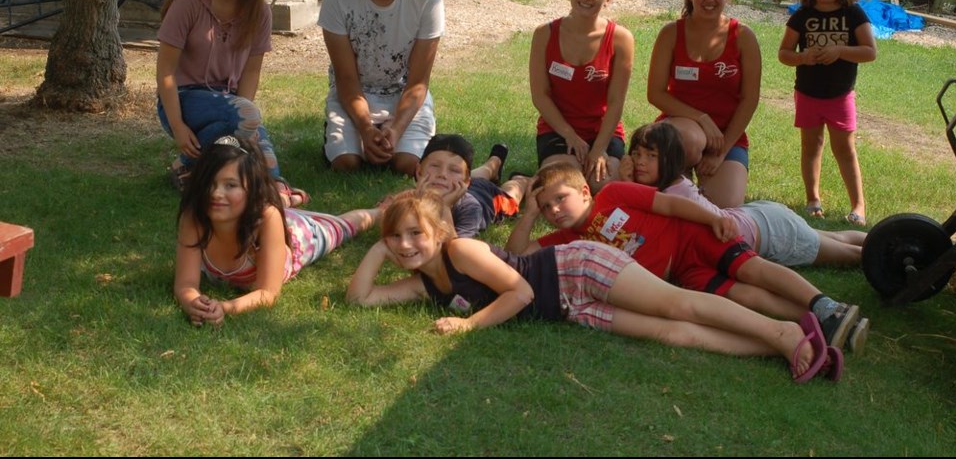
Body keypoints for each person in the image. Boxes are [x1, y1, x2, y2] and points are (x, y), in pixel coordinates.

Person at [347, 190, 843, 384]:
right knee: (675, 335)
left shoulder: (462, 252)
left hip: (574, 268)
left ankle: (783, 334)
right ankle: (786, 348)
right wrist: (378, 250)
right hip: (569, 308)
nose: (407, 244)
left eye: (415, 233)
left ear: (440, 233)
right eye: (397, 237)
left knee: (679, 306)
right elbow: (362, 299)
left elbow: (519, 292)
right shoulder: (422, 285)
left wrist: (468, 323)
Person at [506, 162, 869, 354]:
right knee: (742, 295)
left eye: (561, 198)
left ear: (585, 190)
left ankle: (824, 306)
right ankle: (816, 325)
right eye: (547, 207)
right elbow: (518, 256)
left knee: (754, 270)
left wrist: (713, 218)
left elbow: (667, 203)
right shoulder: (566, 239)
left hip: (693, 239)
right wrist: (529, 214)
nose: (555, 209)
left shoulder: (614, 193)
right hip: (681, 273)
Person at [155, 0, 307, 205]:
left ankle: (273, 185)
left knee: (251, 132)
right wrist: (177, 125)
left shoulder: (260, 11)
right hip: (182, 98)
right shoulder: (186, 4)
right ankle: (189, 161)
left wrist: (241, 125)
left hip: (228, 101)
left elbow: (251, 70)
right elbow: (165, 72)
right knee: (247, 116)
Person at [173, 135, 381, 326]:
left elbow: (268, 293)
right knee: (276, 208)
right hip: (268, 213)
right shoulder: (194, 218)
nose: (216, 193)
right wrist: (193, 303)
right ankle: (289, 198)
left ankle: (379, 212)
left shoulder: (266, 218)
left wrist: (225, 308)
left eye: (230, 185)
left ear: (252, 190)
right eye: (210, 183)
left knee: (343, 226)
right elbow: (186, 284)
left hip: (300, 234)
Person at [619, 122, 865, 267]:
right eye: (637, 154)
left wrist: (627, 181)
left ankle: (891, 251)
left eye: (651, 157)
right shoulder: (670, 185)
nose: (641, 162)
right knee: (835, 238)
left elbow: (641, 215)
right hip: (755, 216)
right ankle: (877, 237)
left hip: (769, 234)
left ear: (670, 161)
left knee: (849, 256)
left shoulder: (676, 192)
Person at [319, 0, 445, 177]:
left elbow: (418, 82)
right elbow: (345, 77)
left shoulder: (427, 2)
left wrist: (396, 129)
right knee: (347, 165)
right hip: (354, 94)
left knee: (408, 165)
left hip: (403, 96)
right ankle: (340, 136)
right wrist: (366, 128)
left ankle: (396, 134)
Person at [647, 0, 761, 208]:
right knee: (676, 200)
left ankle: (687, 185)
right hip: (680, 132)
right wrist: (701, 118)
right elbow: (655, 93)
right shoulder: (670, 33)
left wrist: (721, 151)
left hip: (726, 137)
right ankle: (680, 178)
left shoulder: (743, 36)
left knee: (725, 208)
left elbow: (750, 99)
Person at [778, 0, 877, 226]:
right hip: (807, 93)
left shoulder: (853, 13)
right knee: (811, 147)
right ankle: (813, 200)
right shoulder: (802, 15)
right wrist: (802, 57)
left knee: (844, 149)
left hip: (840, 95)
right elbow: (784, 53)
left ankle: (858, 205)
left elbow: (870, 51)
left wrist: (840, 51)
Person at [529, 0, 634, 193]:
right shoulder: (544, 34)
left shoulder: (621, 38)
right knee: (566, 188)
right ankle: (526, 179)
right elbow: (540, 95)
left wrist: (598, 148)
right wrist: (570, 136)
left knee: (603, 187)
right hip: (557, 129)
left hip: (603, 131)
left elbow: (616, 102)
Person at [413, 134, 529, 238]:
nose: (442, 174)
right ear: (418, 171)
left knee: (511, 196)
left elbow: (455, 248)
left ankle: (521, 179)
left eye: (454, 170)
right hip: (468, 183)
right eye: (435, 166)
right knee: (473, 177)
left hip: (488, 197)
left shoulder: (471, 208)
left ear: (467, 182)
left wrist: (445, 207)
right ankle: (494, 162)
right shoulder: (408, 199)